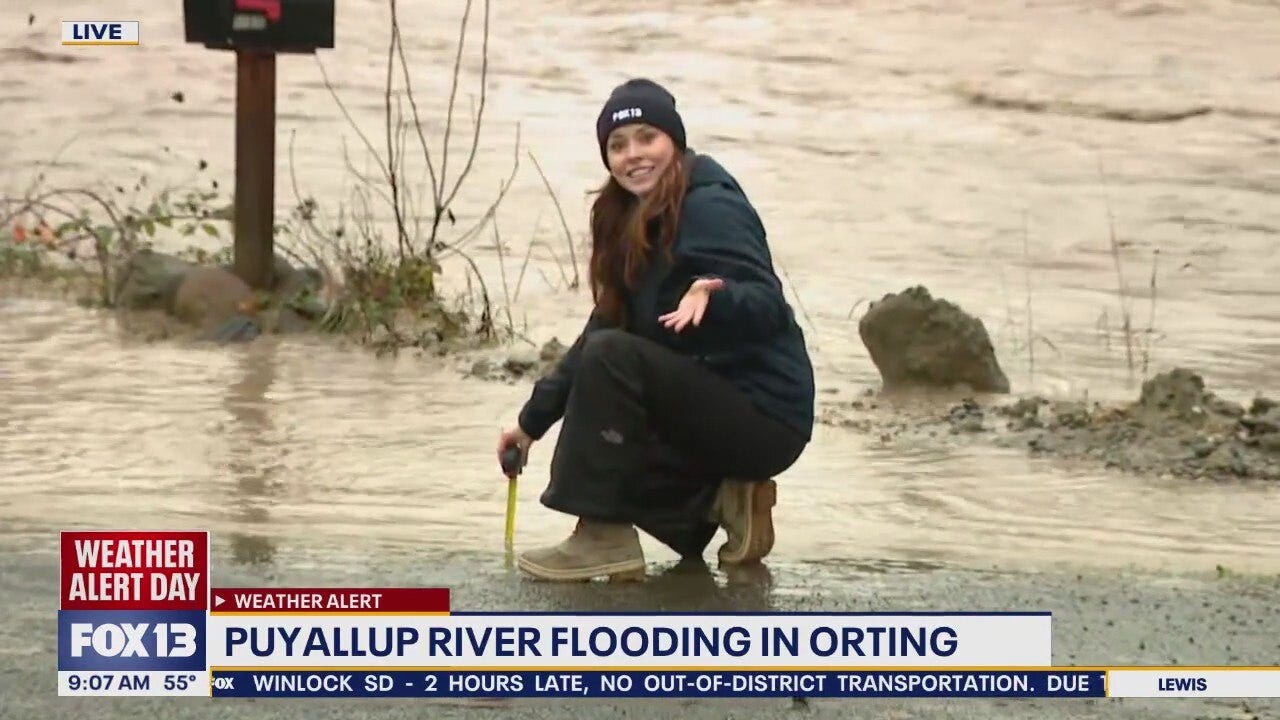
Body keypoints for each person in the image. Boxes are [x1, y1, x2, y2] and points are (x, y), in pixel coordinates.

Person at [497, 78, 815, 582]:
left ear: (675, 142)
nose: (633, 155)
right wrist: (531, 423)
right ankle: (726, 501)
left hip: (766, 414)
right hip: (712, 406)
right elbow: (604, 324)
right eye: (618, 146)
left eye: (648, 138)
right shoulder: (630, 216)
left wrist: (715, 293)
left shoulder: (710, 203)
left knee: (614, 359)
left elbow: (767, 306)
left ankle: (602, 537)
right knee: (610, 374)